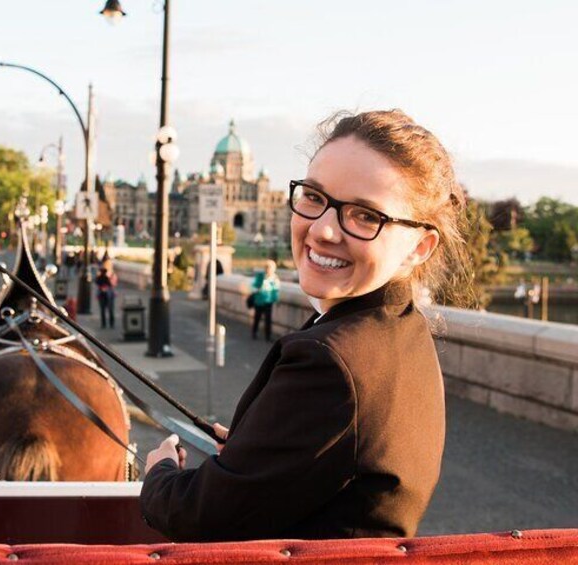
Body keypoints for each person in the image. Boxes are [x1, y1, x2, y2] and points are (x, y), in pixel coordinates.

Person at [140, 110, 474, 542]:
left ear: (420, 247)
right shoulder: (402, 328)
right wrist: (255, 449)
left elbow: (197, 517)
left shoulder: (332, 361)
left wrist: (160, 472)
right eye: (315, 197)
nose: (323, 230)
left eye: (365, 216)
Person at [251, 260, 280, 341]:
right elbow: (253, 287)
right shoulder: (260, 276)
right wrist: (258, 288)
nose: (269, 270)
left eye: (271, 268)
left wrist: (276, 299)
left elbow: (276, 290)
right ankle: (254, 332)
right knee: (257, 318)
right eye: (268, 267)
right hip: (259, 301)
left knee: (268, 320)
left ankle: (268, 336)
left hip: (268, 301)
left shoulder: (275, 278)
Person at [95, 259, 118, 329]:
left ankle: (105, 323)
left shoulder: (109, 274)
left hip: (104, 292)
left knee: (104, 309)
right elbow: (114, 284)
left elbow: (97, 282)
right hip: (107, 293)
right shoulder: (110, 273)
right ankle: (110, 323)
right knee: (109, 309)